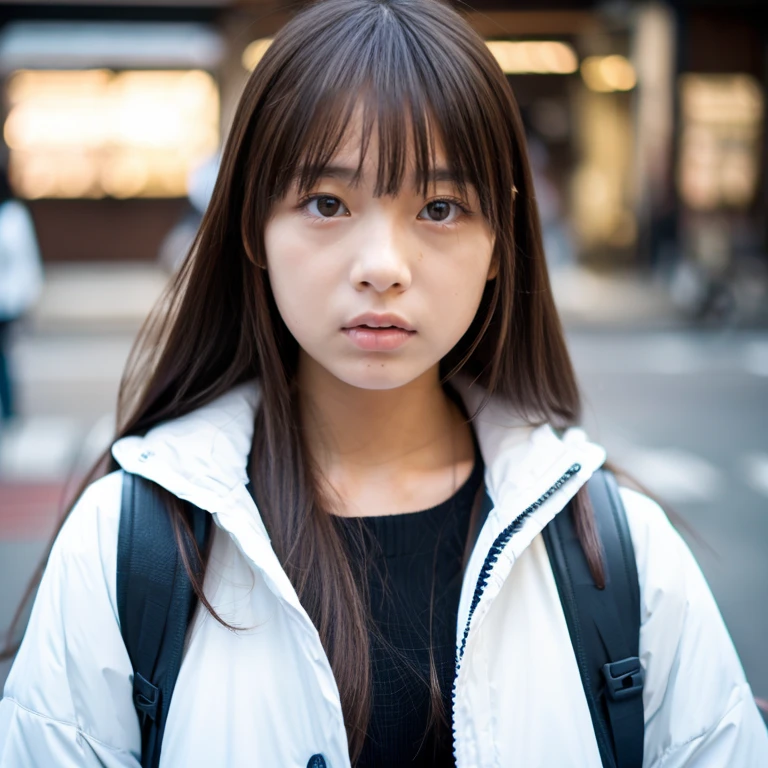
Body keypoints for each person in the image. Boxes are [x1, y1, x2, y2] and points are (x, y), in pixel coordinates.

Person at [1, 0, 767, 765]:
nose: (383, 267)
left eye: (439, 207)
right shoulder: (128, 547)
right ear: (251, 229)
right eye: (326, 203)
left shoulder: (620, 557)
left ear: (501, 244)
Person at [0, 166, 43, 424]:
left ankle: (9, 408)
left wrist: (26, 297)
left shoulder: (13, 216)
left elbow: (26, 260)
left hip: (7, 300)